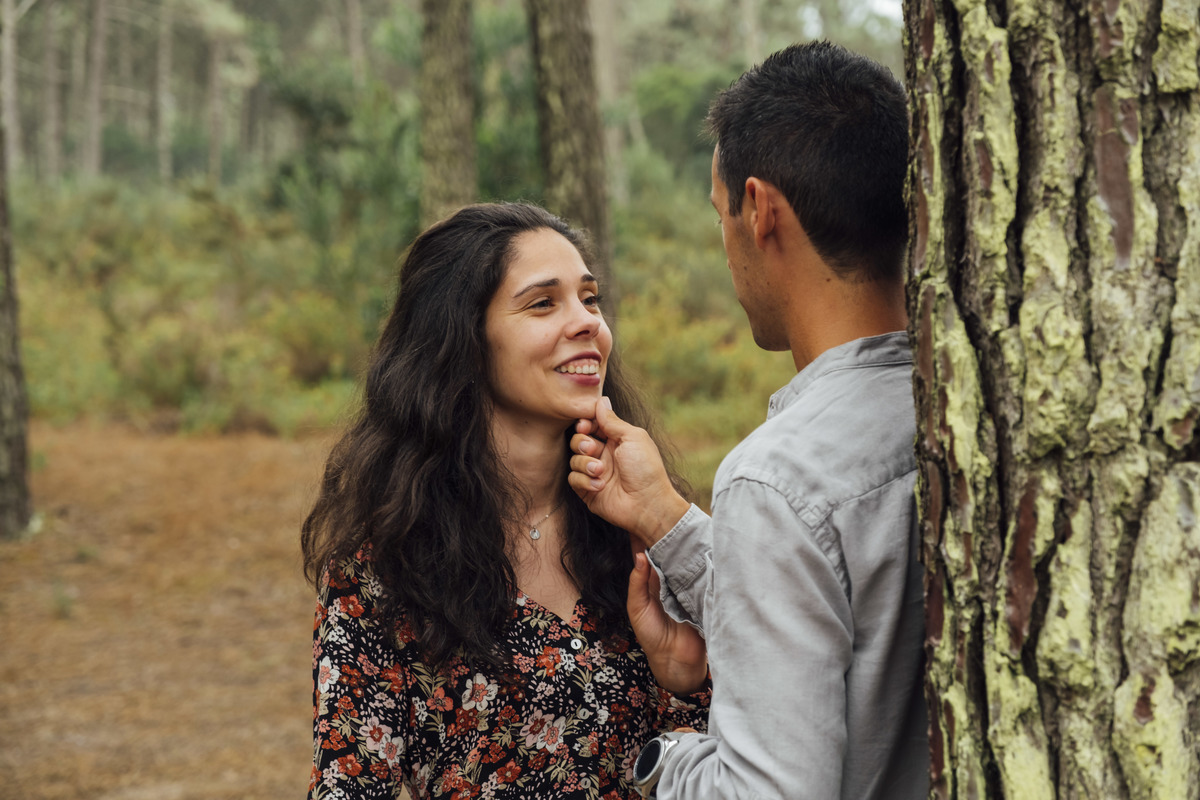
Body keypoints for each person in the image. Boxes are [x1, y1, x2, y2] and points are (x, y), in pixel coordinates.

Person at [567, 42, 928, 799]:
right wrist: (670, 521)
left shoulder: (779, 477)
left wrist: (667, 760)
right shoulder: (950, 409)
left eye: (719, 211)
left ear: (760, 211)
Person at [301, 202, 710, 799]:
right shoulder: (385, 569)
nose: (587, 323)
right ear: (463, 338)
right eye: (544, 303)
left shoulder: (648, 532)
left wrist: (688, 680)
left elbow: (759, 752)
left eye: (590, 299)